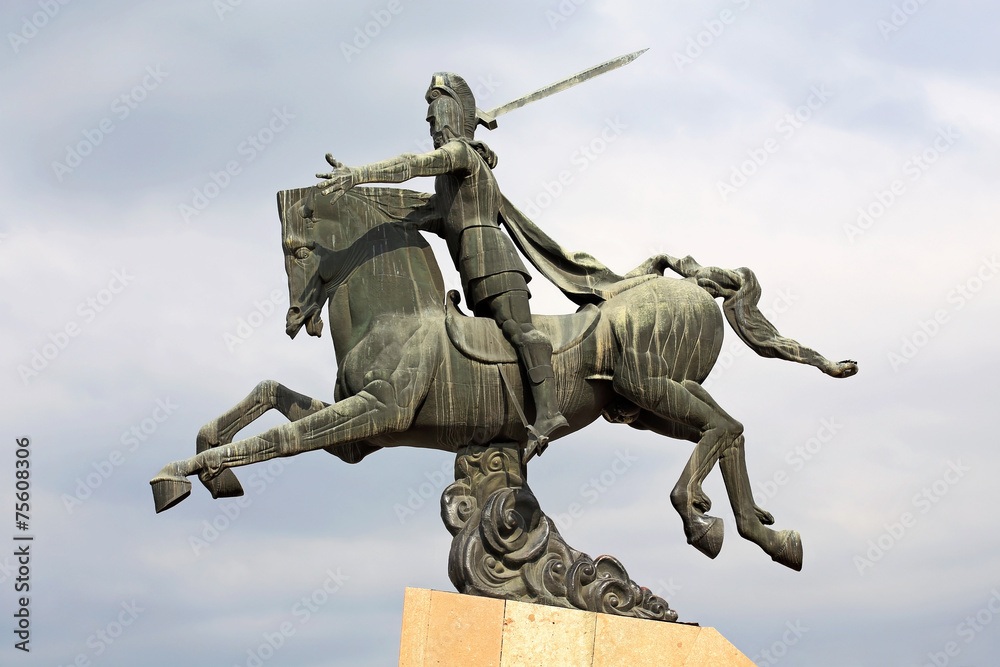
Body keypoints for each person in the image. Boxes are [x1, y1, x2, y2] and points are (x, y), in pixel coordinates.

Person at [316, 72, 568, 448]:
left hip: (494, 257)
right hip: (471, 266)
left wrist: (360, 174)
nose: (432, 127)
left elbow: (412, 164)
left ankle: (549, 413)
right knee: (493, 343)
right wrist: (356, 203)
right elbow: (414, 212)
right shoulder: (448, 189)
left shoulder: (462, 155)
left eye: (437, 118)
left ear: (451, 116)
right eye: (430, 121)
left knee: (517, 329)